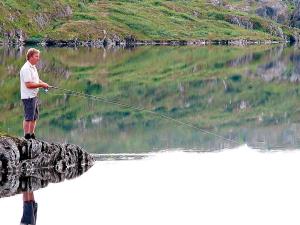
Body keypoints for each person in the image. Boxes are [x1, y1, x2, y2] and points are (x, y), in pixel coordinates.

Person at [20, 48, 49, 140]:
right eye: (36, 56)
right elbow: (28, 85)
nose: (38, 58)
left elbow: (36, 80)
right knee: (28, 117)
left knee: (34, 117)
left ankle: (32, 135)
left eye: (38, 56)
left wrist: (43, 84)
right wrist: (41, 85)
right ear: (30, 57)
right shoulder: (26, 68)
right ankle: (26, 136)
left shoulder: (33, 67)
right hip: (28, 96)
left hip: (34, 96)